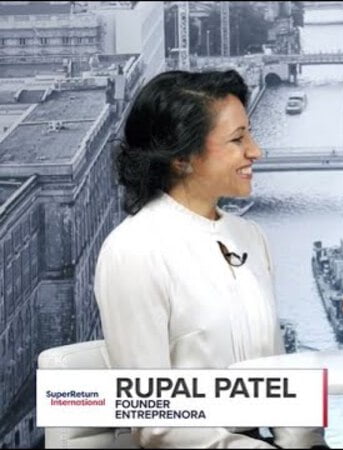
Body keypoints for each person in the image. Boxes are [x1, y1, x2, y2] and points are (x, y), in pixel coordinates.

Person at [94, 70, 326, 449]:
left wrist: (307, 444)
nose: (256, 151)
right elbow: (155, 421)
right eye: (237, 139)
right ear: (181, 158)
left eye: (250, 134)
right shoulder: (133, 250)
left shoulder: (250, 237)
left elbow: (277, 372)